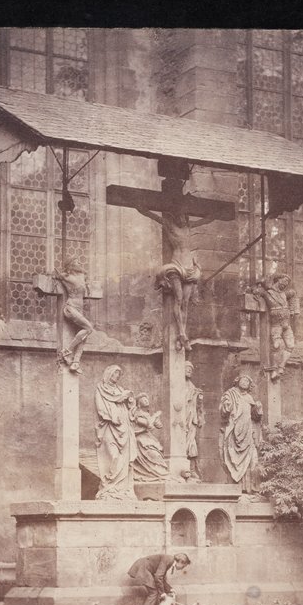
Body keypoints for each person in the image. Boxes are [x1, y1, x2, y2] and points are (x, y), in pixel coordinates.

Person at [136, 207, 215, 351]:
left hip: (190, 267)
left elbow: (205, 221)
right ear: (175, 216)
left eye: (184, 216)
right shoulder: (170, 225)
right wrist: (141, 208)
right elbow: (155, 217)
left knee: (185, 302)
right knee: (178, 299)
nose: (182, 218)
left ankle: (182, 335)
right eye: (179, 215)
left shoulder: (188, 227)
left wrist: (215, 213)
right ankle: (182, 333)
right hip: (177, 266)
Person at [94, 365, 137, 500]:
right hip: (109, 427)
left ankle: (122, 490)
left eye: (119, 374)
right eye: (115, 373)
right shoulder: (100, 389)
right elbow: (100, 408)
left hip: (124, 429)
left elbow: (129, 409)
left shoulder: (120, 390)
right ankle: (108, 487)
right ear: (109, 374)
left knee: (125, 459)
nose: (117, 376)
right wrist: (112, 417)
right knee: (114, 456)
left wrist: (131, 403)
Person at [219, 374, 263, 494]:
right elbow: (224, 409)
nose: (245, 382)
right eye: (243, 380)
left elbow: (255, 417)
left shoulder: (249, 398)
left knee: (251, 459)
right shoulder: (230, 393)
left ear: (250, 386)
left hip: (247, 431)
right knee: (233, 457)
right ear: (237, 381)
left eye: (248, 381)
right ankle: (235, 486)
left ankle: (247, 488)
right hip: (234, 429)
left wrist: (258, 409)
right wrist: (226, 407)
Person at [249, 272, 298, 379]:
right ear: (278, 280)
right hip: (276, 324)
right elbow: (254, 291)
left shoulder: (285, 294)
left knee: (290, 346)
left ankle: (281, 367)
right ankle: (274, 369)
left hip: (286, 324)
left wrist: (294, 309)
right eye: (284, 281)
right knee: (276, 345)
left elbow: (294, 294)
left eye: (287, 282)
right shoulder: (268, 293)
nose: (285, 284)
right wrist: (259, 284)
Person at [53, 261, 95, 373]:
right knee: (89, 328)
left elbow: (86, 283)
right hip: (70, 308)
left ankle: (75, 363)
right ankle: (67, 351)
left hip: (79, 310)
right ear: (70, 265)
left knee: (84, 335)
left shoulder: (82, 276)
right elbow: (57, 275)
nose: (78, 263)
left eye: (78, 261)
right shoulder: (67, 276)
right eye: (75, 262)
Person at [127, 552, 191, 605]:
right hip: (143, 569)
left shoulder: (169, 560)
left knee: (153, 592)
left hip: (144, 568)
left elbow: (161, 577)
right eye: (183, 566)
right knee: (153, 592)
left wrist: (170, 589)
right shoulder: (168, 560)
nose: (182, 569)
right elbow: (158, 577)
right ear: (180, 562)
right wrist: (162, 593)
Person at [132, 393, 169, 483]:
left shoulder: (148, 414)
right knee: (153, 454)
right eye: (144, 400)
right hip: (140, 439)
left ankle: (160, 473)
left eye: (147, 399)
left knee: (157, 454)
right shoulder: (137, 414)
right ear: (139, 404)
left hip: (149, 438)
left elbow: (158, 426)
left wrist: (157, 422)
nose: (146, 400)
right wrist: (155, 416)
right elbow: (147, 424)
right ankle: (155, 474)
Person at [184, 361, 205, 482]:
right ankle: (185, 469)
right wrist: (192, 395)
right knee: (183, 442)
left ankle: (191, 470)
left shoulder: (191, 385)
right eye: (187, 369)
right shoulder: (179, 384)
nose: (189, 370)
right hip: (182, 418)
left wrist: (199, 398)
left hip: (192, 418)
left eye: (191, 369)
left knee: (192, 443)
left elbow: (197, 406)